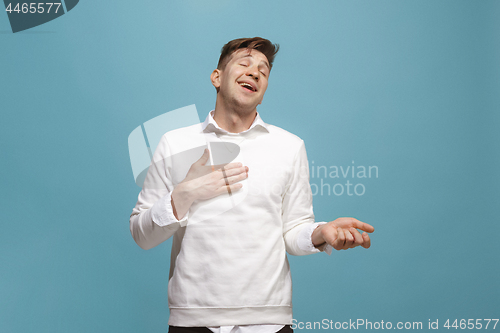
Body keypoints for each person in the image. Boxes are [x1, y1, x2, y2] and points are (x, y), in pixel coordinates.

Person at [130, 37, 374, 333]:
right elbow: (142, 236)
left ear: (264, 90)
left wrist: (320, 233)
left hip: (269, 322)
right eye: (244, 64)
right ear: (216, 77)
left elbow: (293, 229)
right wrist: (184, 193)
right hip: (193, 320)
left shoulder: (290, 146)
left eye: (264, 70)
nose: (255, 72)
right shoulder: (175, 142)